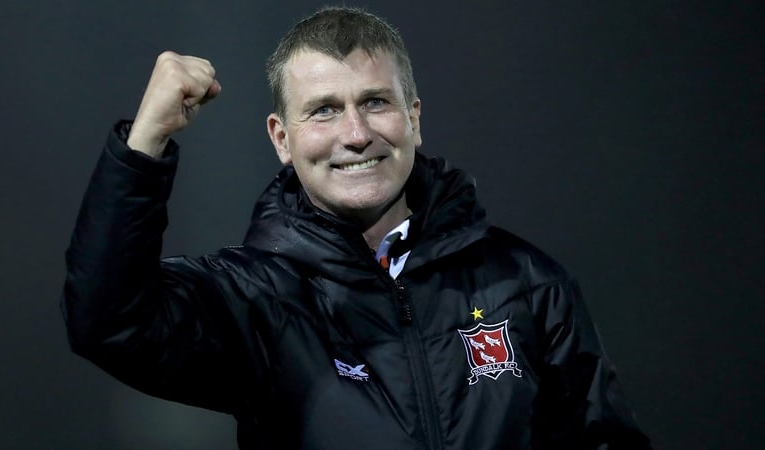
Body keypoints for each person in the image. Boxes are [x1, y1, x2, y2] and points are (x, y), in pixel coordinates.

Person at [62, 6, 652, 449]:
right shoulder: (253, 301)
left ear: (414, 119)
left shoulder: (525, 283)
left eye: (375, 102)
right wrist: (145, 143)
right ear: (281, 139)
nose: (355, 133)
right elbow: (107, 321)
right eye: (323, 109)